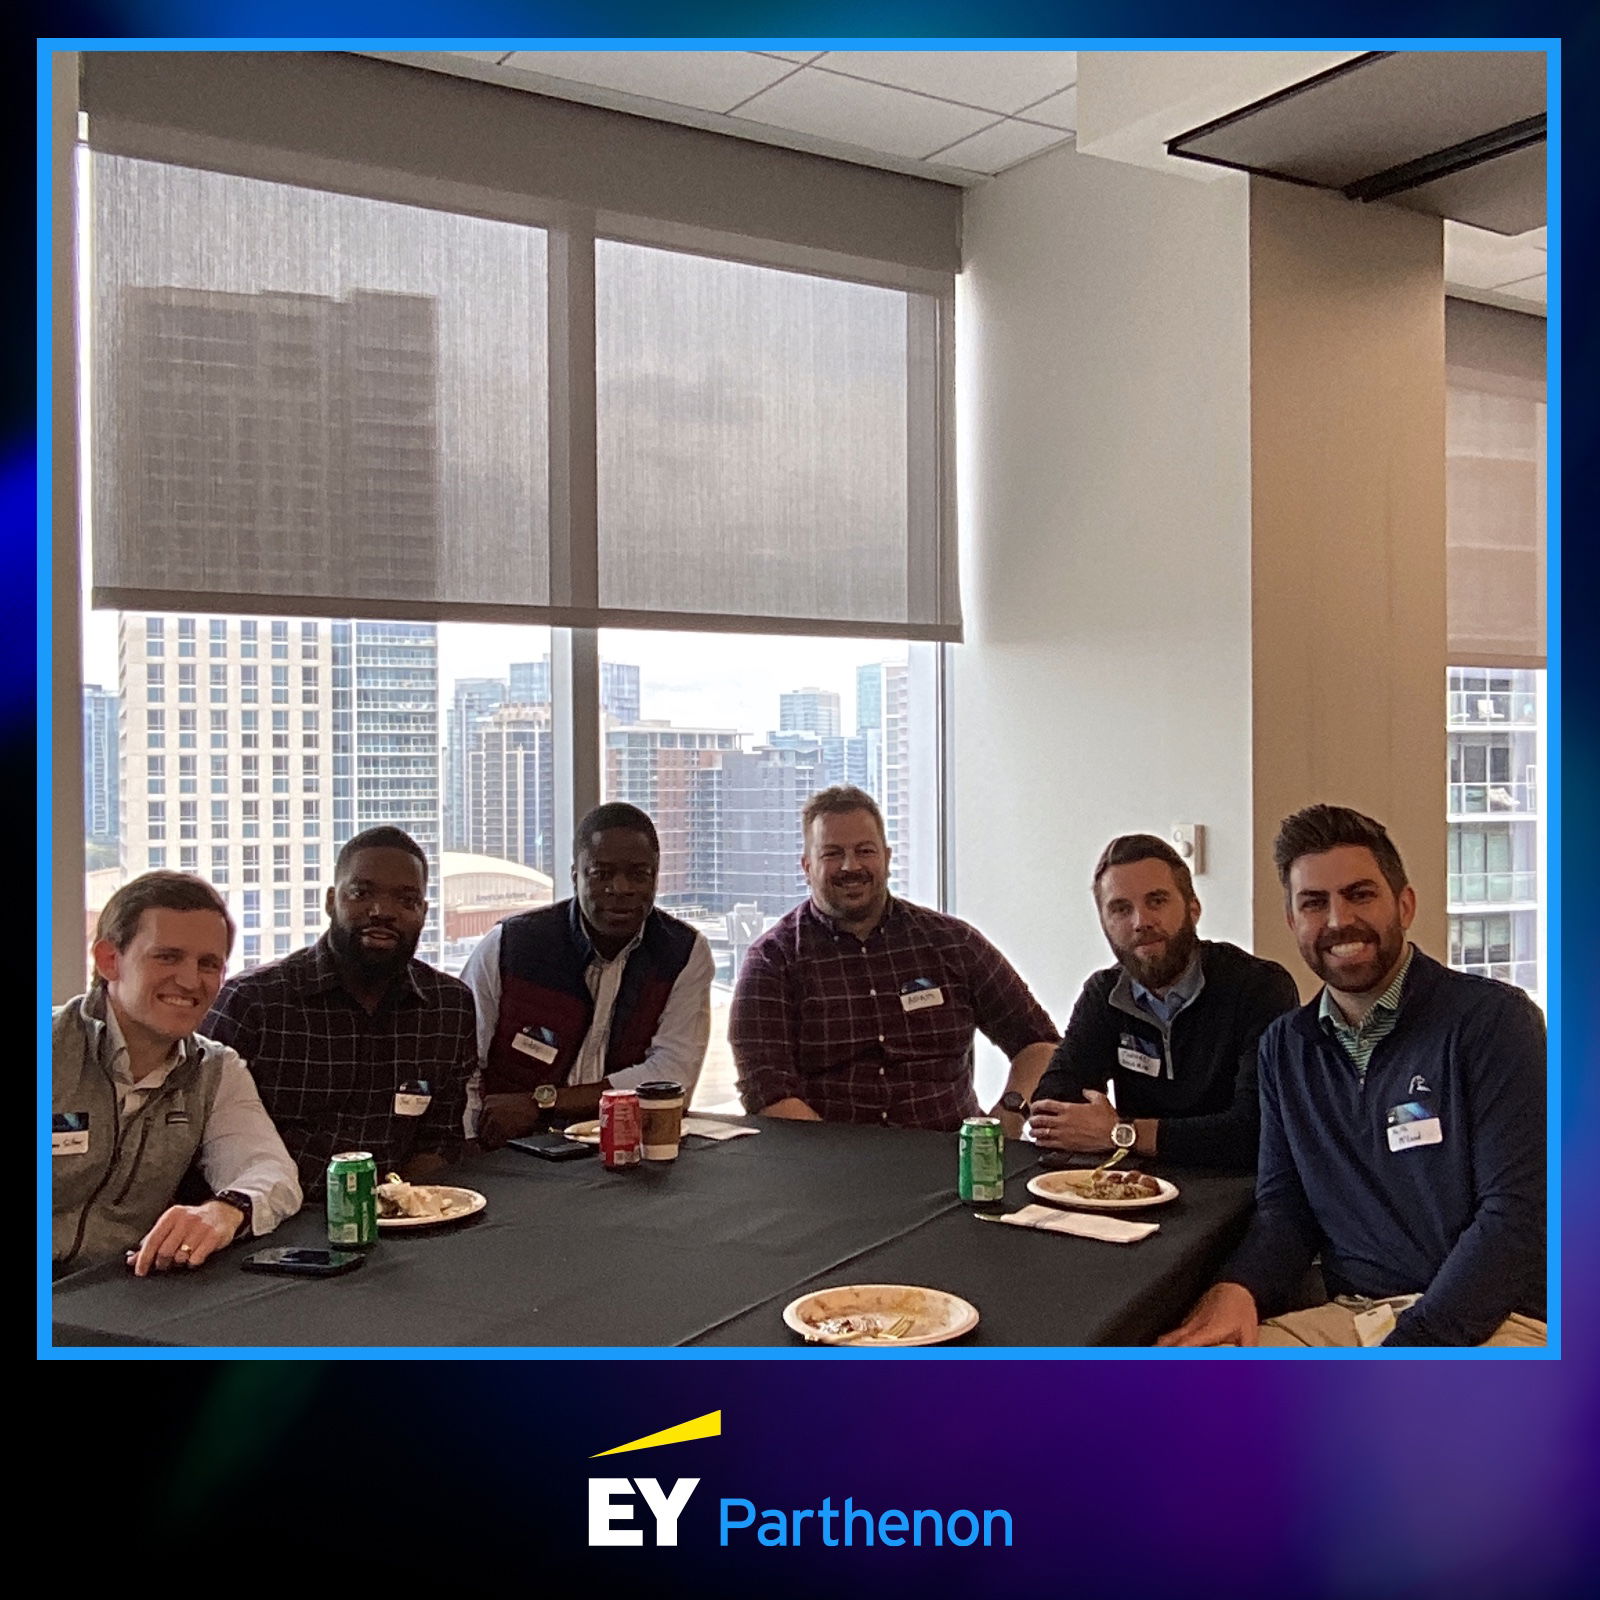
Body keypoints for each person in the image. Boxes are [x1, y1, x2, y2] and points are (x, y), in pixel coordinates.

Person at [1160, 804, 1546, 1348]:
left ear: (1404, 905)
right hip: (1355, 1317)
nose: (1338, 920)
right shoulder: (1284, 1048)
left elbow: (1516, 1215)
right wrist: (1238, 1288)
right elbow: (1285, 1210)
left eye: (1360, 895)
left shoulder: (1494, 1022)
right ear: (1292, 921)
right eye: (1314, 903)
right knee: (1181, 1377)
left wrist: (1407, 1352)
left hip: (1497, 1319)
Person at [731, 785, 1058, 1134]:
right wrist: (838, 1158)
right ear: (807, 867)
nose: (851, 866)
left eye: (865, 851)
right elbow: (767, 1091)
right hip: (828, 1161)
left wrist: (1007, 1118)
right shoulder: (773, 962)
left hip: (951, 1155)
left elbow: (1039, 1042)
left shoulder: (953, 942)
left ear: (886, 858)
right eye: (832, 853)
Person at [53, 872, 301, 1278]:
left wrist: (224, 1211)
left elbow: (270, 1172)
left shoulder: (216, 1070)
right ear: (109, 960)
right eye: (167, 957)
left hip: (121, 1291)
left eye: (208, 964)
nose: (189, 981)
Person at [204, 827, 476, 1196]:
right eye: (362, 894)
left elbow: (440, 1143)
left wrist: (395, 1207)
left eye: (406, 900)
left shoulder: (448, 1007)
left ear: (423, 913)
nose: (383, 912)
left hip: (399, 1213)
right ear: (331, 901)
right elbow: (204, 1146)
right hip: (274, 1216)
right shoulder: (253, 1003)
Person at [1028, 834, 1299, 1168]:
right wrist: (1096, 1127)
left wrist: (1122, 1133)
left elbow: (1255, 1131)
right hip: (1133, 1184)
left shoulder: (1260, 988)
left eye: (1156, 901)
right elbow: (1052, 1108)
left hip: (1233, 1190)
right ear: (1104, 924)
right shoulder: (1105, 994)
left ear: (1193, 909)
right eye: (1121, 909)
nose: (1141, 922)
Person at [460, 802, 713, 1149]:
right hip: (513, 1150)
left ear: (656, 877)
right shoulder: (511, 945)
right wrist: (470, 1147)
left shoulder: (682, 953)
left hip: (626, 1149)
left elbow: (671, 1077)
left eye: (639, 874)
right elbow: (463, 1064)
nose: (621, 888)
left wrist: (543, 1102)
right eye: (601, 873)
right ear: (575, 876)